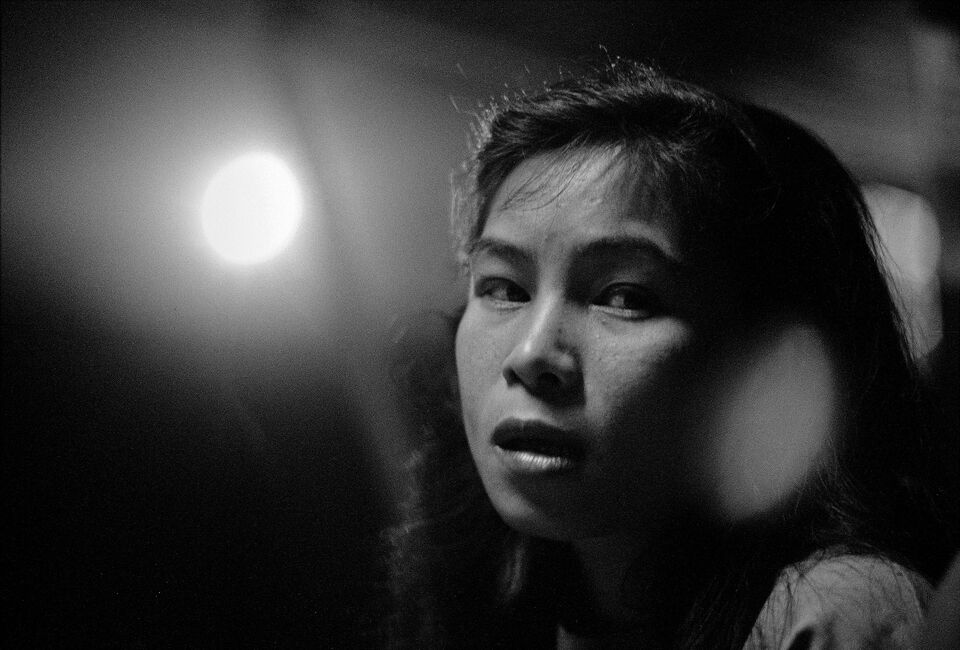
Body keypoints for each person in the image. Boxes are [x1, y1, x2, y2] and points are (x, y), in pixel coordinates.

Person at [384, 60, 954, 649]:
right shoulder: (490, 604)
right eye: (503, 288)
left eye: (624, 297)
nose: (531, 355)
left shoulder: (836, 612)